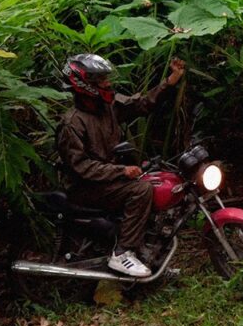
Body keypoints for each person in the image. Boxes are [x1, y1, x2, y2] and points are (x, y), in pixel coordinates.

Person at [57, 53, 186, 278]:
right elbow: (81, 167)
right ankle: (122, 253)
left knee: (154, 180)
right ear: (85, 85)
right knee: (141, 190)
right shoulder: (73, 123)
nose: (108, 84)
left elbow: (142, 104)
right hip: (85, 187)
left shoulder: (109, 107)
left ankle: (149, 254)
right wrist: (120, 171)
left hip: (106, 181)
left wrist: (170, 81)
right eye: (101, 81)